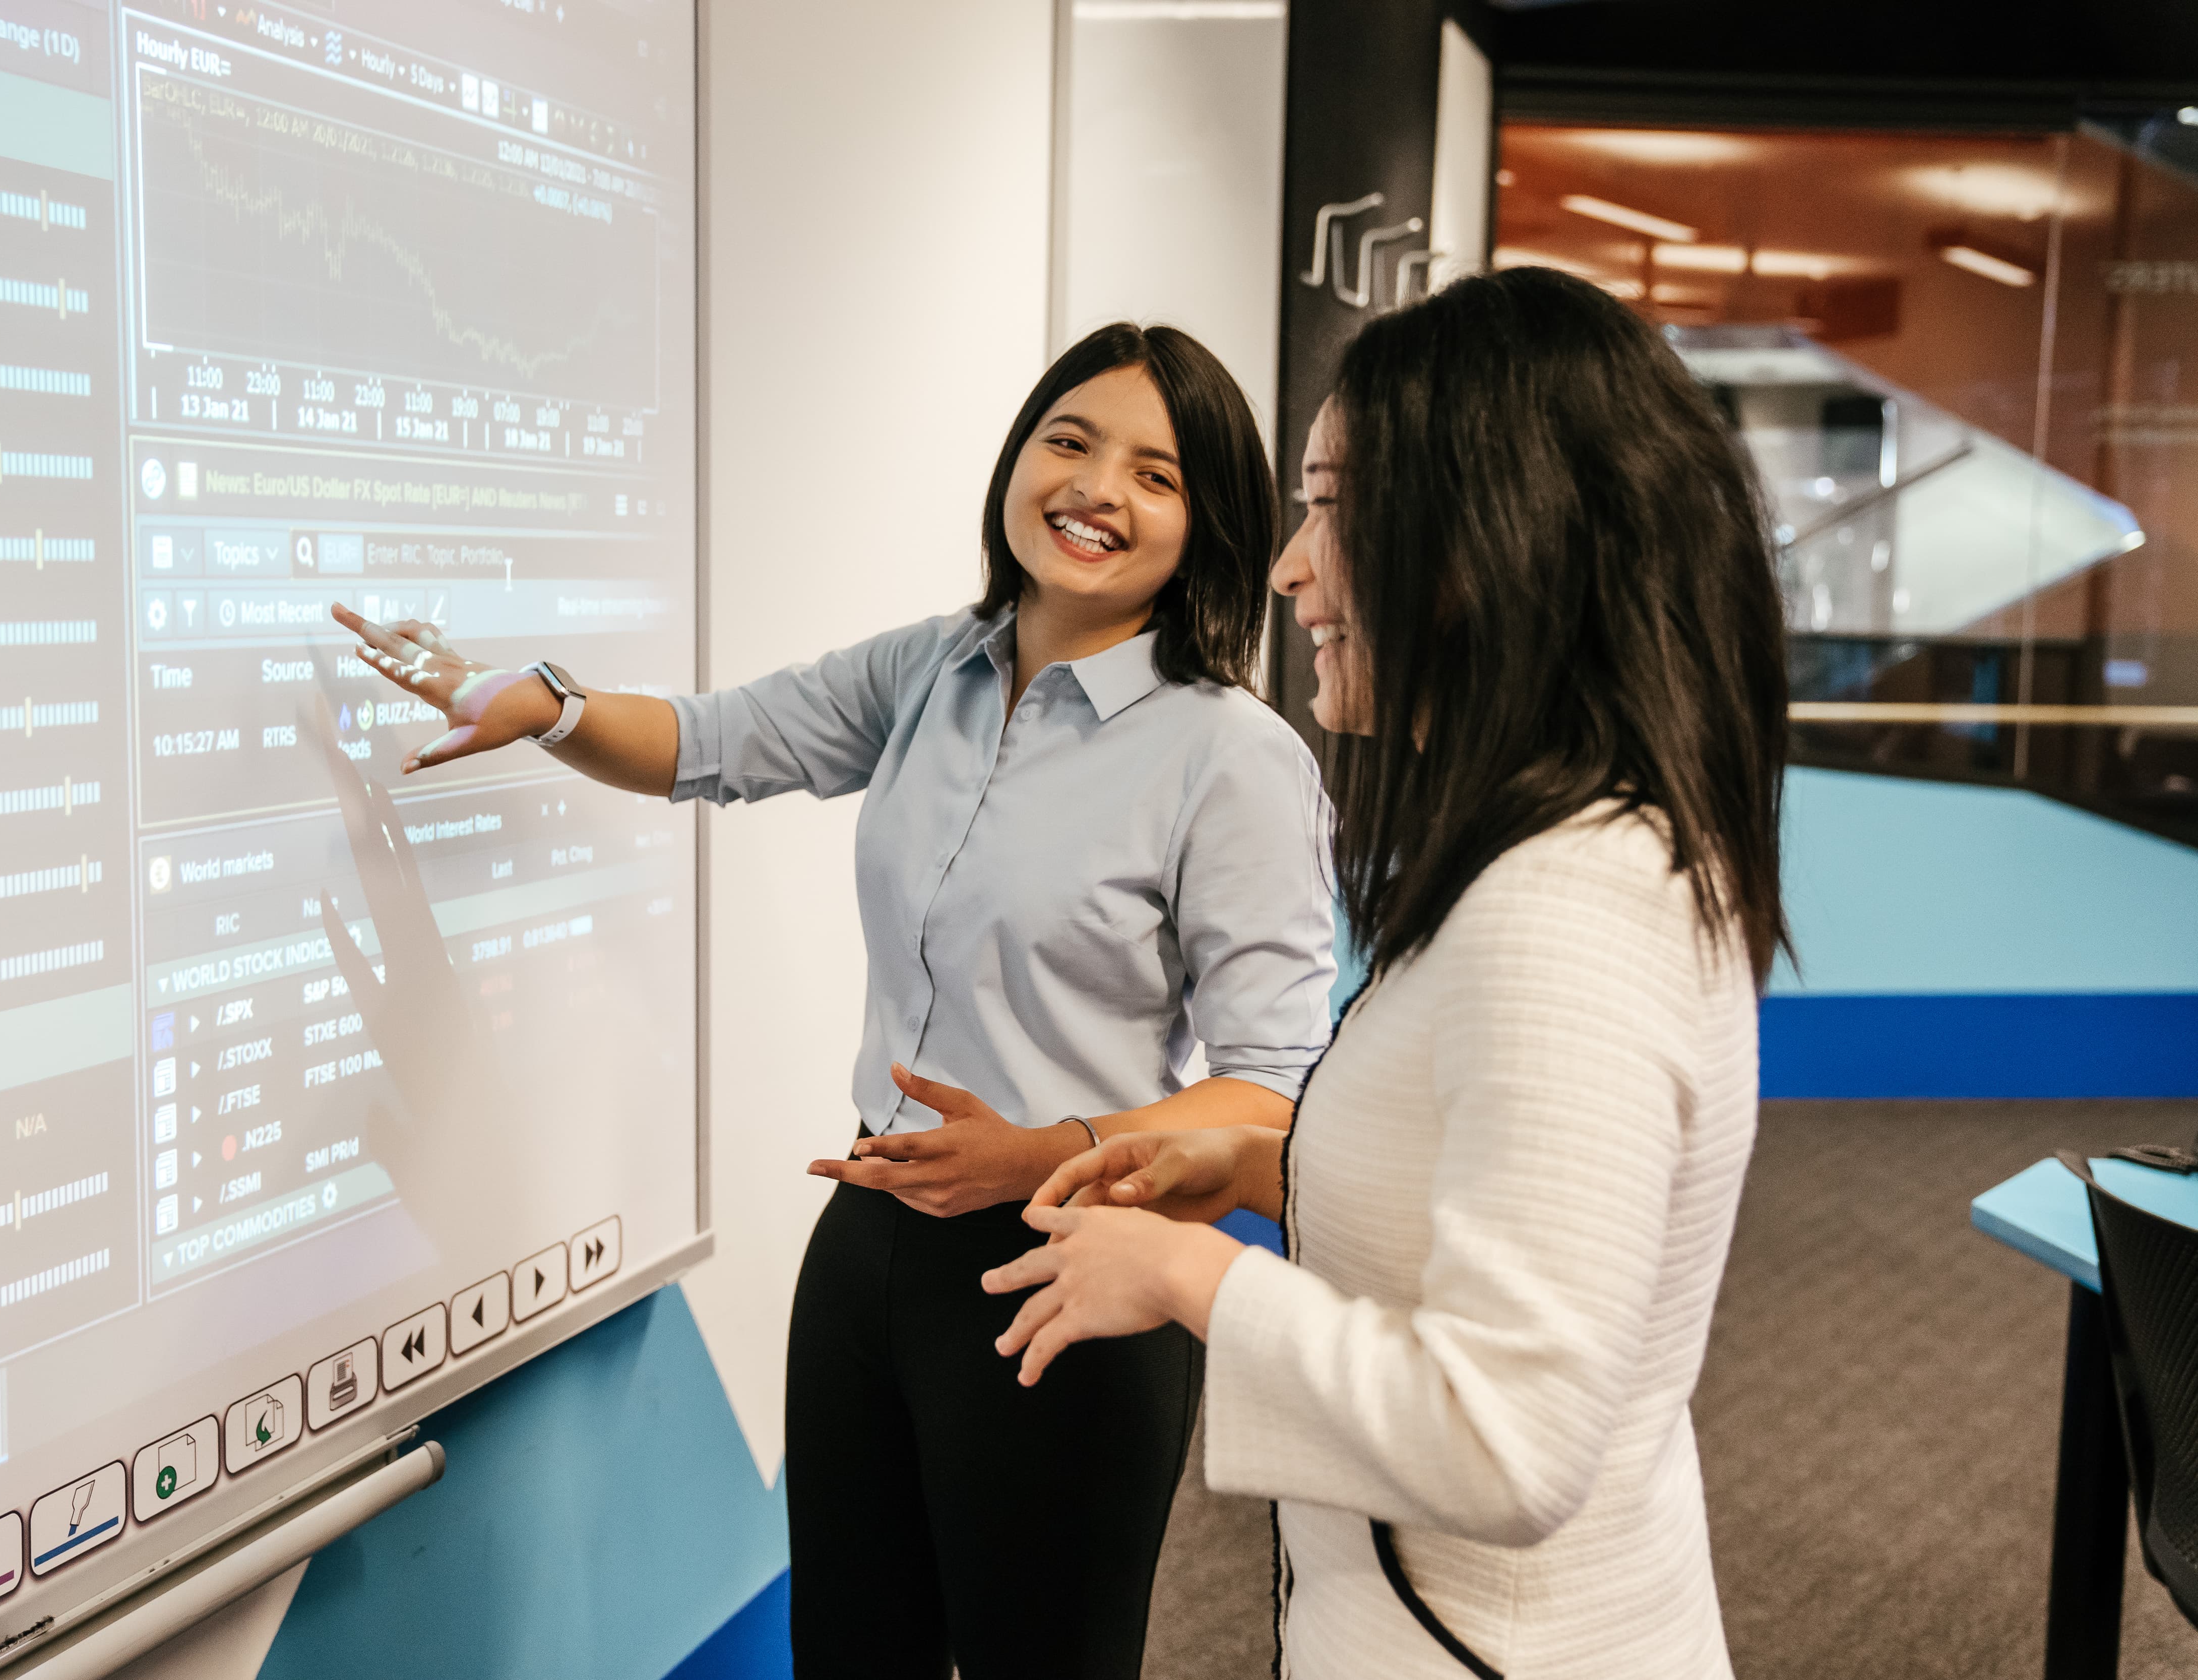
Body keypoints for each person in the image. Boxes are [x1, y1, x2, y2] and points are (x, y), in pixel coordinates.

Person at [331, 323, 1337, 1678]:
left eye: (1155, 474)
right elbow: (715, 739)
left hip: (1069, 1266)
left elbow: (1275, 1088)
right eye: (1070, 440)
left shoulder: (1231, 756)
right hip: (869, 1253)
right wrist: (549, 704)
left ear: (1207, 521)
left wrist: (1048, 1153)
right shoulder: (935, 670)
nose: (1097, 487)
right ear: (1019, 459)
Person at [986, 266, 1791, 1679]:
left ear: (1490, 540)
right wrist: (1251, 1173)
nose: (1292, 565)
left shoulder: (1570, 911)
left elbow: (1505, 1436)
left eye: (1335, 508)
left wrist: (1186, 1277)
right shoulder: (1574, 847)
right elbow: (1487, 1197)